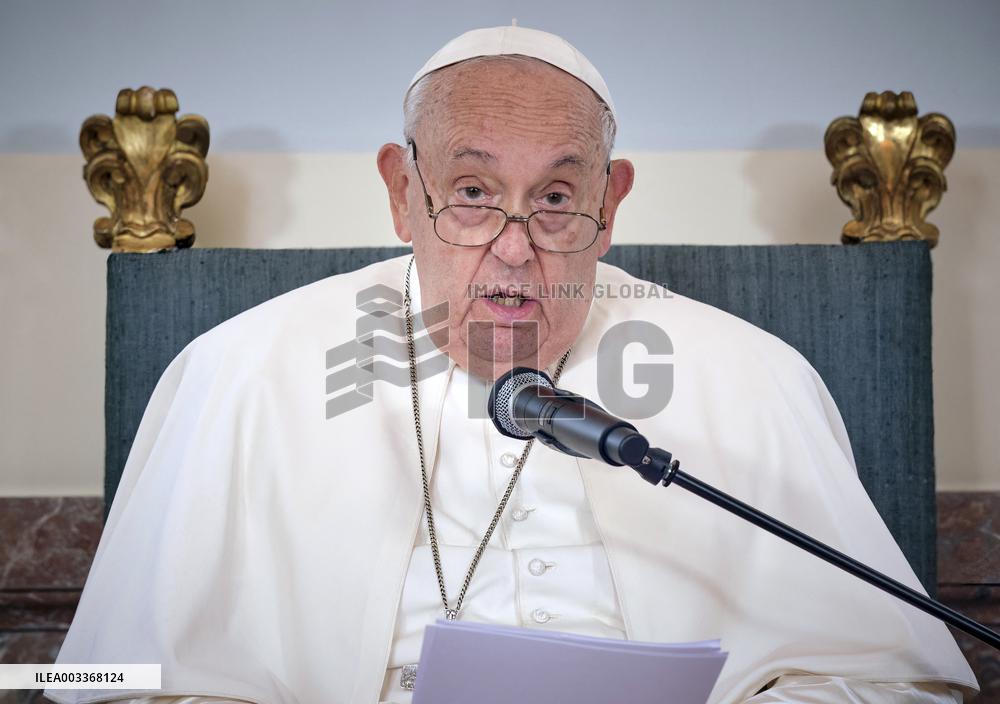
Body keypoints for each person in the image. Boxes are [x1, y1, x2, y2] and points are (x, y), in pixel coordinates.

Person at [48, 25, 977, 704]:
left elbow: (893, 681)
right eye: (473, 191)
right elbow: (109, 683)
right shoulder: (242, 372)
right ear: (401, 192)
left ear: (611, 204)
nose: (515, 246)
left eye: (558, 197)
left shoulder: (753, 377)